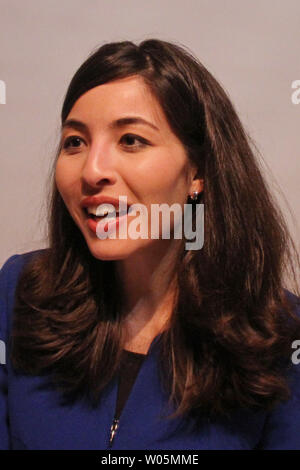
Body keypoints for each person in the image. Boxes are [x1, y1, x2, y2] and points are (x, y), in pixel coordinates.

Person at [1, 38, 300, 450]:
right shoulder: (18, 294)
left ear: (198, 171)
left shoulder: (277, 335)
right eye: (75, 142)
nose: (93, 170)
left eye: (131, 140)